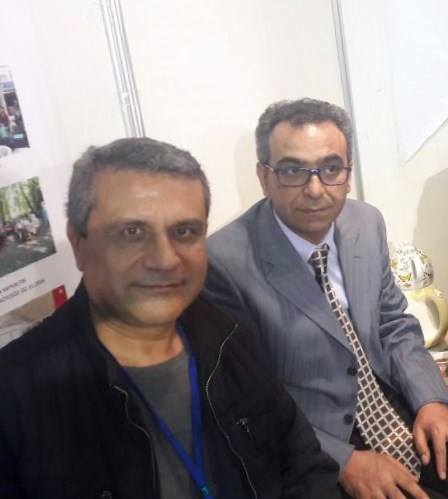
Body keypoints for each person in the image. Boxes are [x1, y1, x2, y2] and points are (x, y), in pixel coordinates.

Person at [203, 98, 448, 499]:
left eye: (330, 169)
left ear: (348, 174)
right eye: (293, 171)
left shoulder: (365, 223)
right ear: (264, 177)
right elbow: (250, 397)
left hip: (393, 405)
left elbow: (394, 326)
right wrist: (342, 459)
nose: (315, 189)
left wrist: (432, 402)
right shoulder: (224, 263)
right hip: (312, 438)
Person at [0, 137, 340, 498]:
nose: (164, 259)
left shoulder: (230, 337)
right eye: (131, 233)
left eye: (184, 232)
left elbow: (305, 467)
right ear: (78, 244)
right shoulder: (16, 395)